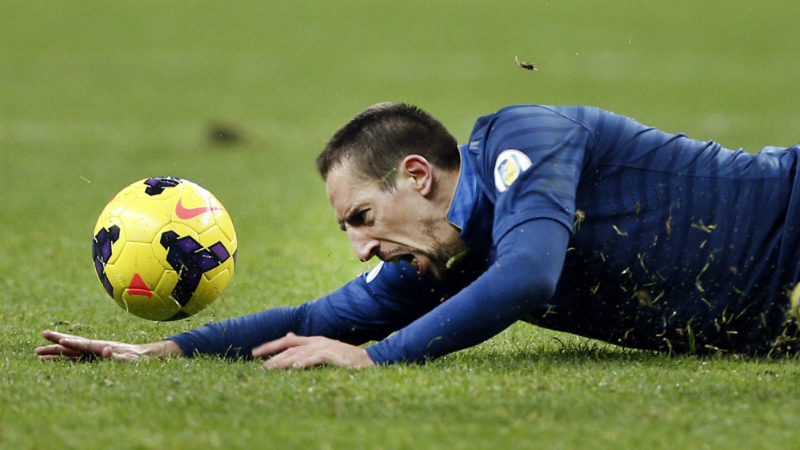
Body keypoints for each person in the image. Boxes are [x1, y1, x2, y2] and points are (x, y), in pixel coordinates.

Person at [36, 103, 800, 369]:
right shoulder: (445, 257)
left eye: (362, 219)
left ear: (418, 174)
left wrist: (380, 357)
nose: (362, 248)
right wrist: (161, 350)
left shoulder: (526, 138)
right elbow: (322, 320)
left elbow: (530, 274)